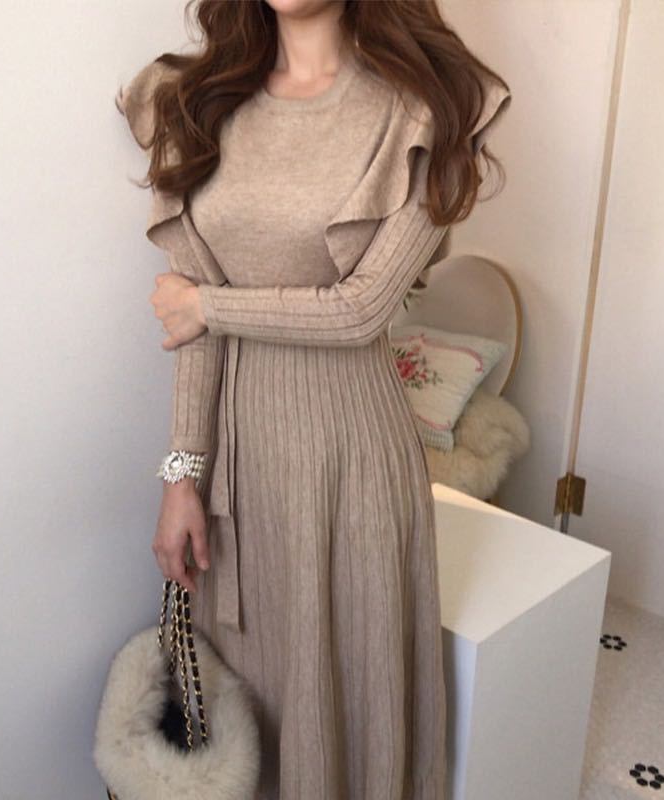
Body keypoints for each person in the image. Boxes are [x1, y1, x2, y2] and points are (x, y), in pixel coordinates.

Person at [116, 1, 511, 797]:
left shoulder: (422, 106)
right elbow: (191, 324)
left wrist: (209, 306)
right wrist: (182, 475)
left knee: (351, 700)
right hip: (240, 470)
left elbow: (360, 310)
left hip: (352, 465)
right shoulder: (197, 100)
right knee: (247, 712)